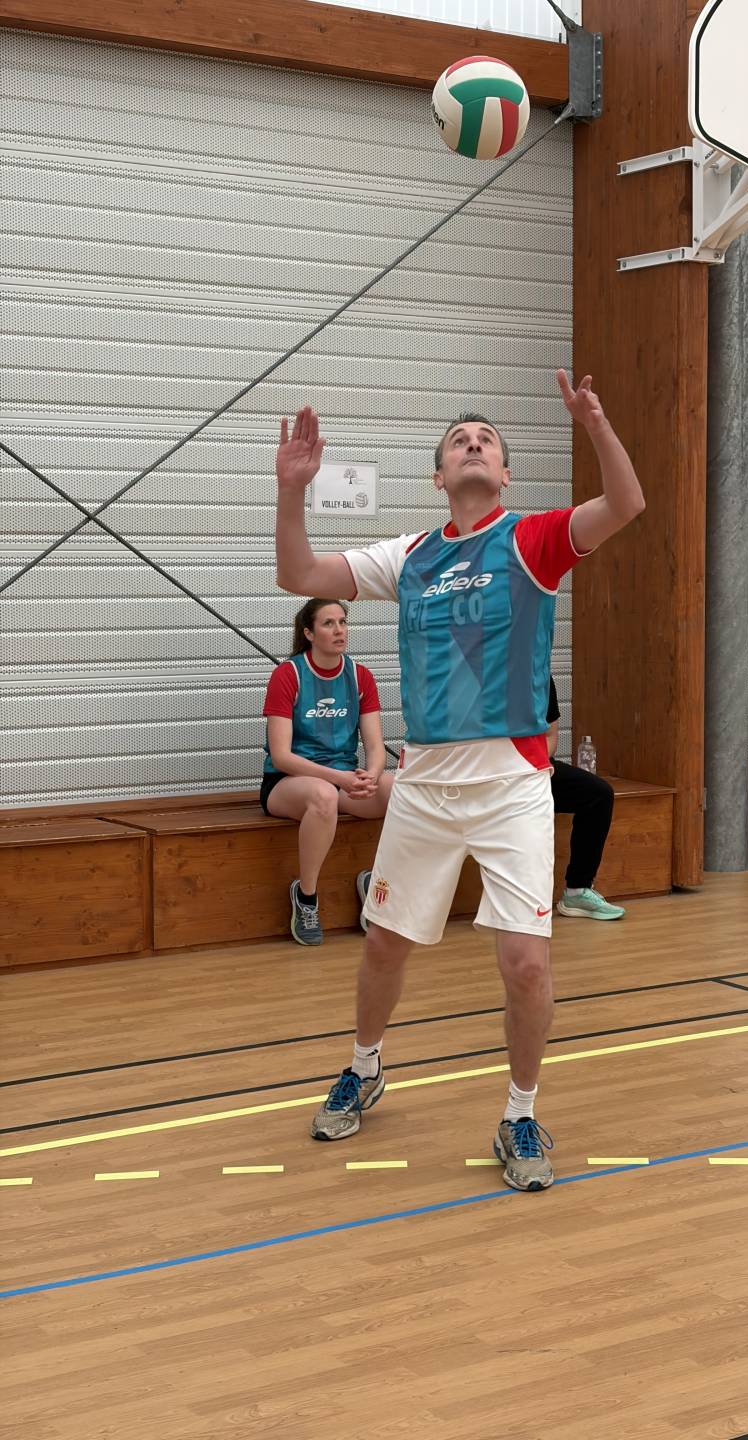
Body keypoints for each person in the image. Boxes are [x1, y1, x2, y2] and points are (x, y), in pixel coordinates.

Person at [274, 369, 644, 1192]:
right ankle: (364, 1067)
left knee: (526, 964)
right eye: (457, 442)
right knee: (385, 944)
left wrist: (596, 423)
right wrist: (292, 490)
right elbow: (298, 575)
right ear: (439, 476)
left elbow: (626, 503)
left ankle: (520, 1114)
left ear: (504, 473)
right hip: (427, 784)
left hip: (512, 784)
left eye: (487, 441)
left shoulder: (533, 539)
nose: (473, 445)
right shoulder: (408, 556)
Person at [261, 598, 393, 946]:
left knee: (400, 789)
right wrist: (339, 779)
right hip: (288, 783)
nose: (339, 630)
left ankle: (377, 884)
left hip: (343, 779)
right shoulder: (288, 674)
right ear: (309, 633)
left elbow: (375, 746)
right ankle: (306, 897)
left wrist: (372, 775)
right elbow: (282, 756)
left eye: (343, 622)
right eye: (328, 623)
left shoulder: (360, 675)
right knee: (322, 796)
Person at [547, 678, 625, 921]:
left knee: (598, 793)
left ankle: (577, 890)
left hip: (535, 767)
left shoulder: (540, 675)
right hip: (494, 771)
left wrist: (534, 768)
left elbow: (550, 736)